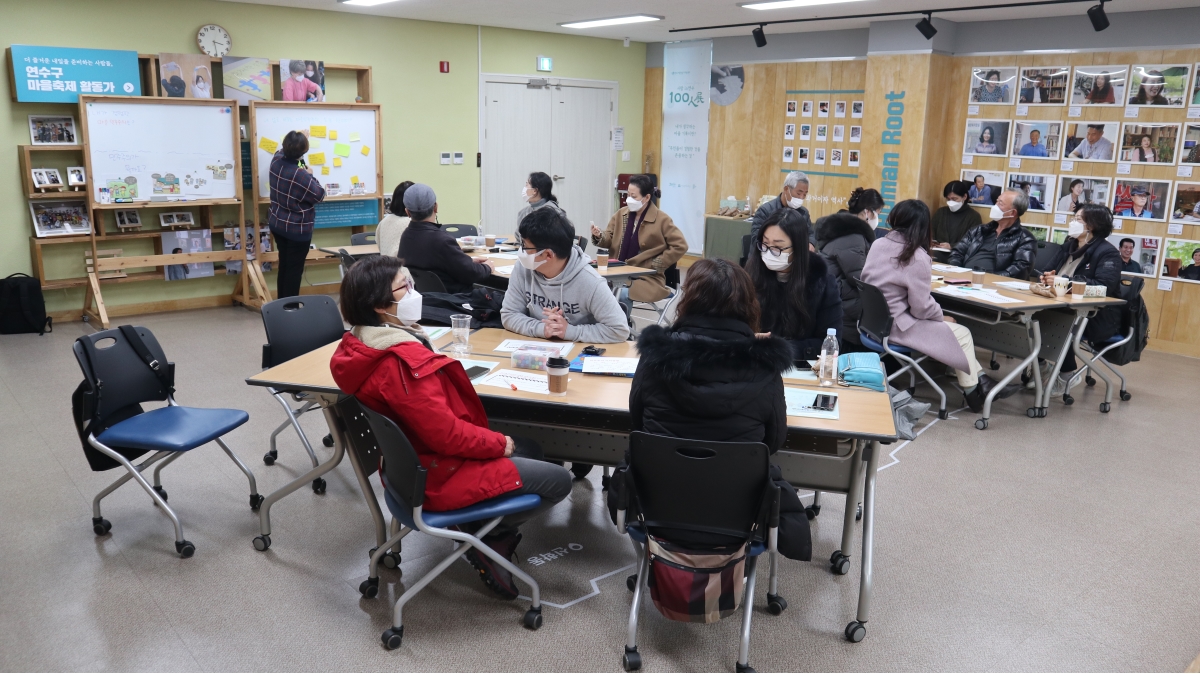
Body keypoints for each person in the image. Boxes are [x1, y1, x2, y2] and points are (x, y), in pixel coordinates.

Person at [330, 255, 572, 600]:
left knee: (531, 448)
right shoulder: (400, 364)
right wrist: (497, 444)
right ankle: (489, 539)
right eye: (405, 287)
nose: (415, 293)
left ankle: (482, 530)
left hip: (412, 468)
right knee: (558, 479)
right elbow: (446, 435)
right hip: (439, 474)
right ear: (381, 305)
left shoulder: (364, 344)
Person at [621, 258, 810, 561]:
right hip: (738, 515)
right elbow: (773, 441)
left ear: (688, 300)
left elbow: (638, 422)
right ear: (749, 306)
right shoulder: (764, 364)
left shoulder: (656, 355)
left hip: (659, 508)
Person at [861, 199, 1018, 412]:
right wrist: (941, 316)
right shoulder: (916, 257)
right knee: (961, 332)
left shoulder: (878, 244)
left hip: (874, 323)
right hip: (897, 327)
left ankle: (981, 382)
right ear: (925, 225)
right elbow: (921, 308)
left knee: (955, 331)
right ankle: (974, 393)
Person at [505, 207, 630, 343]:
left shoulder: (590, 282)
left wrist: (569, 331)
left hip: (579, 354)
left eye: (525, 246)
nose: (521, 250)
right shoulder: (523, 268)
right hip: (538, 350)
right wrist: (542, 329)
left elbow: (619, 330)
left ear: (548, 254)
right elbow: (509, 314)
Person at [1038, 205, 1123, 396]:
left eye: (1078, 219)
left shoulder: (1107, 252)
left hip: (1095, 315)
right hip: (1059, 305)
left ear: (1092, 225)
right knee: (1029, 321)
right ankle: (1041, 368)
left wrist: (1064, 283)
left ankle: (1068, 374)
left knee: (1058, 323)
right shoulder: (1069, 245)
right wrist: (1046, 277)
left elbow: (1103, 288)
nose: (1072, 223)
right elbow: (1048, 271)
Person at [745, 208, 842, 361]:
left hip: (801, 366)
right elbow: (735, 329)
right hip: (756, 363)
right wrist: (749, 339)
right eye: (764, 245)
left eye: (777, 247)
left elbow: (829, 342)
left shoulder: (821, 282)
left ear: (798, 248)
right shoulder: (751, 276)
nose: (769, 252)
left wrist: (776, 348)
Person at [589, 174, 687, 303]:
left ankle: (623, 323)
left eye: (633, 196)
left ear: (647, 197)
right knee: (593, 287)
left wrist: (657, 263)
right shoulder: (621, 214)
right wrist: (599, 235)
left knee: (621, 293)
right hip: (617, 272)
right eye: (628, 195)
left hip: (647, 277)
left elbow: (680, 245)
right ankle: (605, 322)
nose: (629, 199)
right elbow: (610, 239)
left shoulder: (662, 219)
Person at [397, 183, 495, 293]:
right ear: (436, 207)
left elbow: (437, 263)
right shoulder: (441, 240)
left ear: (407, 212)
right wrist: (487, 267)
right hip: (456, 300)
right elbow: (471, 274)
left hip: (428, 301)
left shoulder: (406, 236)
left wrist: (466, 261)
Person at [268, 130, 326, 299]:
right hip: (297, 230)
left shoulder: (276, 160)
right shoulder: (301, 175)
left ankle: (282, 305)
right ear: (304, 151)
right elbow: (319, 195)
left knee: (285, 266)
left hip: (278, 224)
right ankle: (291, 308)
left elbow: (292, 157)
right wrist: (312, 175)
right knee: (294, 271)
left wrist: (299, 139)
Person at [815, 191, 876, 347]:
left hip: (830, 293)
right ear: (868, 212)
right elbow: (859, 278)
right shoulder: (853, 237)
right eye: (878, 213)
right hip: (841, 302)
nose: (878, 218)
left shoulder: (841, 230)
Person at [949, 188, 1038, 279]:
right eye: (997, 201)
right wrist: (957, 271)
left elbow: (1020, 269)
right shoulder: (978, 230)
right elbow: (957, 253)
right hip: (962, 279)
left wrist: (988, 278)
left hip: (994, 285)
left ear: (1012, 212)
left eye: (1000, 203)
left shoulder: (1025, 239)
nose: (995, 206)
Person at [747, 171, 811, 241]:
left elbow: (810, 234)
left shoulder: (803, 213)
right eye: (799, 193)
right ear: (786, 189)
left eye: (805, 194)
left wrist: (811, 243)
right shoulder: (765, 211)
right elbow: (757, 239)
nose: (802, 197)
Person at [932, 180, 982, 248]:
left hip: (960, 255)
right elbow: (930, 233)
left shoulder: (974, 216)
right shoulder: (940, 212)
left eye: (954, 199)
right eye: (948, 199)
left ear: (964, 197)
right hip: (937, 253)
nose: (951, 202)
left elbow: (974, 241)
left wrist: (952, 246)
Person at [376, 181, 414, 258]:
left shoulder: (384, 221)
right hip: (403, 268)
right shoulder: (413, 223)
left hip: (385, 267)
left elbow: (379, 245)